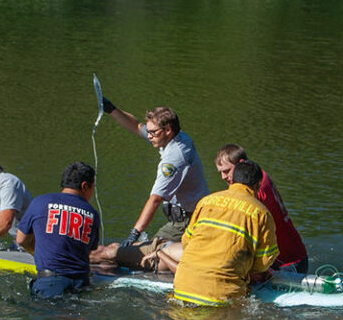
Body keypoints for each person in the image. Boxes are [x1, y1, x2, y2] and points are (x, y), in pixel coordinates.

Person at [101, 98, 209, 245]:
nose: (149, 135)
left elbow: (155, 199)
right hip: (186, 216)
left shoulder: (174, 157)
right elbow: (137, 126)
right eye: (149, 131)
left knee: (144, 253)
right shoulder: (175, 137)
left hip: (188, 220)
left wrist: (134, 234)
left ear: (168, 130)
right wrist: (111, 109)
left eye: (152, 132)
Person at [173, 160, 279, 306]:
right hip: (222, 295)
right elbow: (264, 261)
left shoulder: (206, 202)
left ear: (232, 180)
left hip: (182, 287)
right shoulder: (261, 213)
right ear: (258, 185)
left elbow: (186, 242)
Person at [214, 144, 309, 273]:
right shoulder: (257, 177)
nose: (223, 177)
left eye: (226, 171)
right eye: (220, 172)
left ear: (241, 164)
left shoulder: (256, 188)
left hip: (287, 262)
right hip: (280, 258)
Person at [16, 162, 101, 299]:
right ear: (85, 186)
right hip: (81, 284)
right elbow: (89, 251)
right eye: (93, 187)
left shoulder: (40, 202)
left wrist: (36, 252)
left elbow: (20, 239)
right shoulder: (92, 213)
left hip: (49, 284)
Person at [89, 239, 184, 273]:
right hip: (162, 246)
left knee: (99, 253)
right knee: (112, 247)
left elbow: (182, 272)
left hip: (158, 255)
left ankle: (75, 257)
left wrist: (159, 254)